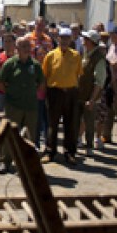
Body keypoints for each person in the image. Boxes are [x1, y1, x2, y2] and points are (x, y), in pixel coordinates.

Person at [0, 37, 44, 173]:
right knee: (10, 134)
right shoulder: (10, 64)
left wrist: (30, 93)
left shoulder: (35, 65)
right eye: (23, 46)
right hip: (13, 105)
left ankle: (27, 163)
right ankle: (5, 162)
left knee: (30, 136)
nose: (26, 49)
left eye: (28, 46)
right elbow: (0, 82)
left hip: (30, 106)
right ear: (17, 49)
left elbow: (41, 84)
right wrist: (11, 93)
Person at [41, 27, 82, 164]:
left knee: (70, 124)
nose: (64, 40)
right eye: (62, 38)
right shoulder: (51, 55)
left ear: (70, 40)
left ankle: (70, 152)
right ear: (58, 38)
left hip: (71, 92)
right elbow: (45, 76)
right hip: (54, 92)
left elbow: (78, 74)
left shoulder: (76, 55)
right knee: (52, 124)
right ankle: (50, 152)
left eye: (67, 38)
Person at [76, 30, 106, 156]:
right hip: (81, 93)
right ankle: (78, 141)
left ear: (91, 42)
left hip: (90, 96)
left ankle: (89, 146)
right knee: (78, 120)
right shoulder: (85, 53)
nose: (83, 40)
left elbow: (99, 81)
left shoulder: (99, 58)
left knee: (89, 122)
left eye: (86, 38)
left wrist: (92, 99)